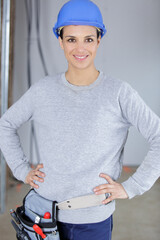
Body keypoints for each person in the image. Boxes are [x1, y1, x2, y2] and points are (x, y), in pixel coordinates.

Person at [0, 0, 160, 239]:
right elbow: (6, 124)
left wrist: (131, 187)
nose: (80, 48)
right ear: (60, 41)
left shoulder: (118, 93)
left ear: (99, 40)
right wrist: (22, 170)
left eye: (88, 39)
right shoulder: (43, 90)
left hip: (92, 222)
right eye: (71, 39)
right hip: (42, 217)